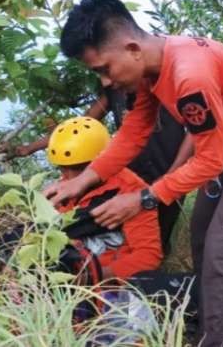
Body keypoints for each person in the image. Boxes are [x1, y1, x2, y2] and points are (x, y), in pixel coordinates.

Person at [44, 0, 223, 347]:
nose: (105, 83)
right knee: (202, 237)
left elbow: (211, 160)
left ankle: (220, 339)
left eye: (104, 69)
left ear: (131, 48)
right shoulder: (151, 67)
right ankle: (211, 320)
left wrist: (143, 199)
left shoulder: (188, 76)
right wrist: (83, 180)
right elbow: (134, 130)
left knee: (222, 250)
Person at [11, 88, 190, 255]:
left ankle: (150, 280)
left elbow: (196, 133)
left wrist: (171, 175)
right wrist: (30, 148)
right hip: (128, 168)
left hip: (168, 170)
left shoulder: (172, 84)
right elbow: (82, 125)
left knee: (156, 237)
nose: (106, 80)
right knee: (120, 230)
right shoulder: (114, 89)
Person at [0, 117, 163, 283]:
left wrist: (89, 278)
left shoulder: (131, 192)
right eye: (62, 168)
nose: (69, 176)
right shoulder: (61, 188)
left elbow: (148, 257)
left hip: (105, 283)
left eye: (78, 168)